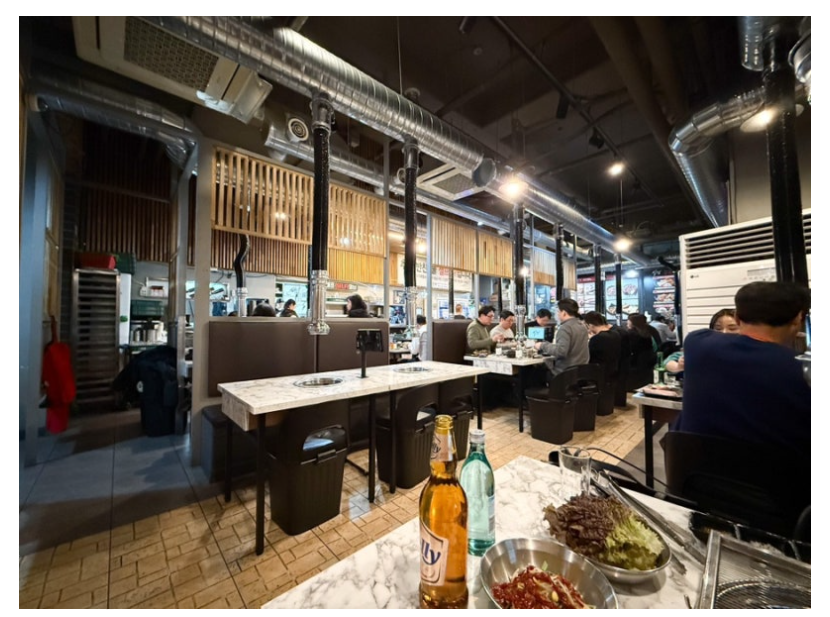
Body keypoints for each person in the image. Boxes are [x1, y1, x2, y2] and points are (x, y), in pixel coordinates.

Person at [676, 281, 810, 452]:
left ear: (737, 317)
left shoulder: (697, 342)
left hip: (694, 466)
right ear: (798, 319)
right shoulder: (804, 369)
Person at [534, 298, 589, 379]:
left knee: (533, 373)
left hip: (564, 374)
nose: (558, 314)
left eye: (558, 312)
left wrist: (542, 345)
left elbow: (561, 351)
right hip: (580, 372)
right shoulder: (582, 326)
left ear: (564, 313)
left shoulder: (565, 328)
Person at [583, 311, 622, 384]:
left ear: (590, 325)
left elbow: (589, 356)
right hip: (613, 371)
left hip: (599, 374)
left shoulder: (596, 339)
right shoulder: (616, 334)